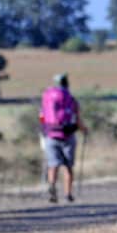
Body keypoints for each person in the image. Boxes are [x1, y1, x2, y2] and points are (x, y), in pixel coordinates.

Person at [39, 73, 87, 203]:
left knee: (52, 165)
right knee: (68, 166)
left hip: (50, 134)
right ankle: (68, 194)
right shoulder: (71, 99)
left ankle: (52, 189)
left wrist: (43, 130)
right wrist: (84, 130)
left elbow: (42, 116)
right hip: (67, 135)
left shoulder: (46, 98)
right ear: (66, 83)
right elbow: (77, 118)